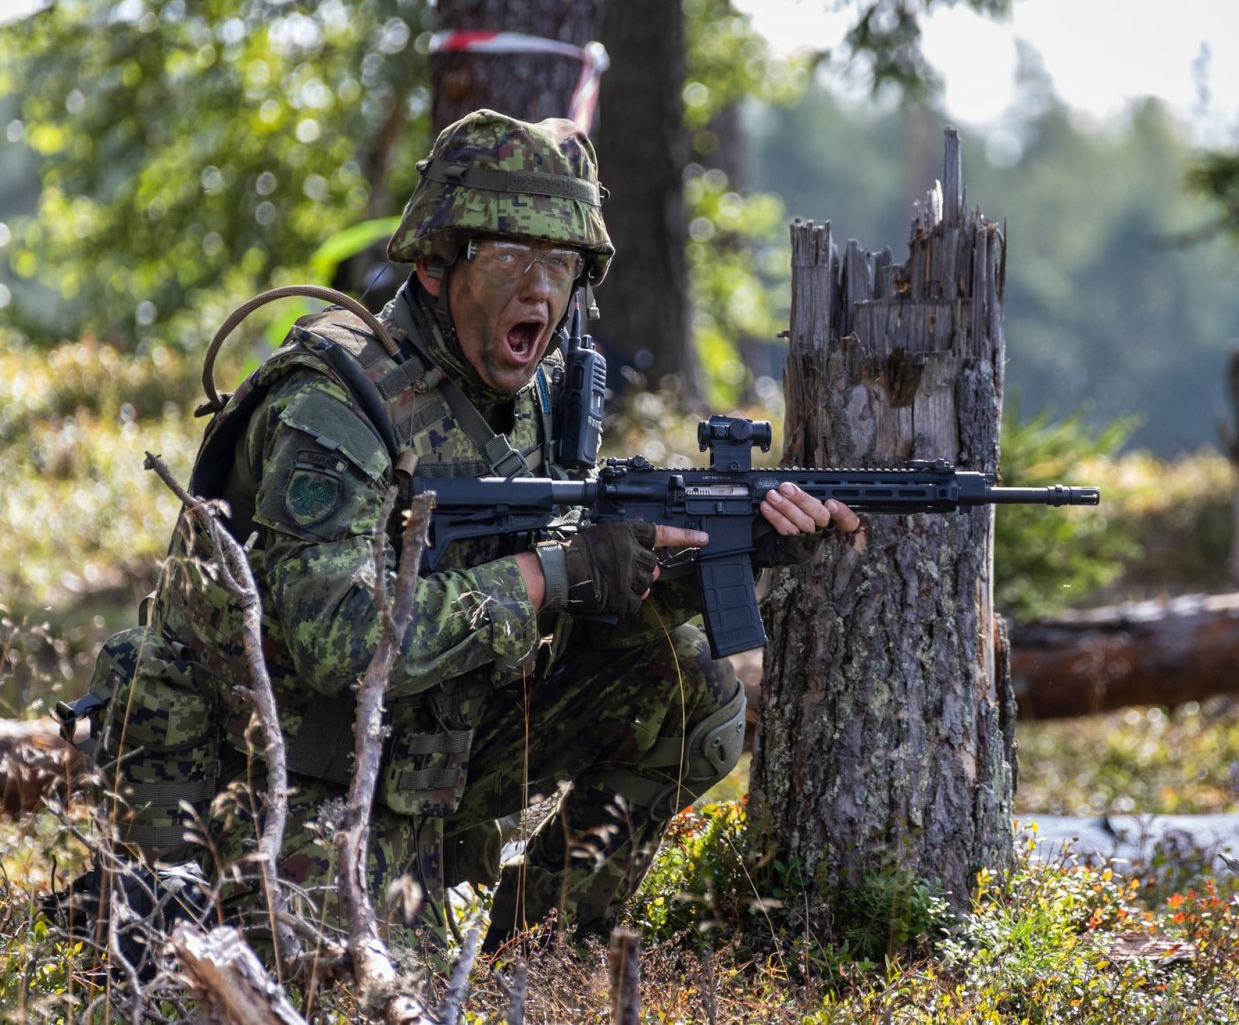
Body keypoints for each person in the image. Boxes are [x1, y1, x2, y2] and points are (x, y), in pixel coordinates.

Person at [119, 109, 858, 950]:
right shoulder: (335, 405)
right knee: (366, 995)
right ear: (437, 264)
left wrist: (731, 548)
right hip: (267, 776)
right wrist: (550, 574)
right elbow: (341, 646)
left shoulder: (531, 396)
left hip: (420, 753)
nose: (540, 291)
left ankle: (538, 955)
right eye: (510, 256)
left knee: (690, 685)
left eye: (561, 263)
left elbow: (580, 604)